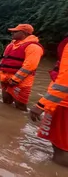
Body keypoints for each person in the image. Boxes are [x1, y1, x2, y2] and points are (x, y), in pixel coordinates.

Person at [29, 36, 68, 167]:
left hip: (62, 102)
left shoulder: (32, 47)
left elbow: (64, 82)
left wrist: (42, 104)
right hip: (61, 99)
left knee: (61, 149)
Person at [0, 24, 43, 111]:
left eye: (15, 31)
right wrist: (0, 73)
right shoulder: (11, 44)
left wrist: (15, 80)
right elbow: (4, 60)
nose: (12, 33)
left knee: (20, 107)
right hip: (5, 78)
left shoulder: (34, 47)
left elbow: (29, 66)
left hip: (21, 82)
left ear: (24, 33)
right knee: (5, 102)